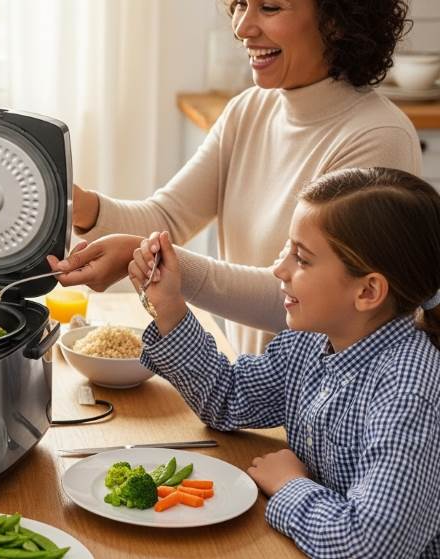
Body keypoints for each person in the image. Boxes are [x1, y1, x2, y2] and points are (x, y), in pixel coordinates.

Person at [49, 0, 422, 355]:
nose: (243, 27)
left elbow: (301, 296)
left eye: (270, 7)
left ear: (336, 19)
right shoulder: (249, 111)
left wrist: (155, 260)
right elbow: (167, 217)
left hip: (325, 411)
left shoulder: (378, 136)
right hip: (248, 393)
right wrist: (73, 203)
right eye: (241, 4)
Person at [132, 168, 440, 557]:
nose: (280, 270)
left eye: (302, 259)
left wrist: (290, 486)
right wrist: (170, 308)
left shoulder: (408, 390)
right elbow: (229, 398)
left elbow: (370, 546)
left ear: (368, 291)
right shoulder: (312, 339)